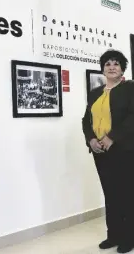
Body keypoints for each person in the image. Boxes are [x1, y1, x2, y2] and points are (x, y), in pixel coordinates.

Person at [82, 49, 134, 253]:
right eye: (108, 64)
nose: (112, 67)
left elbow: (132, 118)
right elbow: (86, 120)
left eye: (116, 63)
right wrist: (91, 139)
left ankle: (129, 238)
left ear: (122, 68)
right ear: (103, 68)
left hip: (124, 149)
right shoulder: (95, 92)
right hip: (101, 152)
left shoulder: (130, 88)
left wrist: (112, 137)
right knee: (110, 194)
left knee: (127, 194)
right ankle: (113, 235)